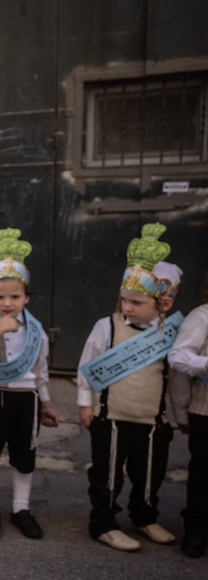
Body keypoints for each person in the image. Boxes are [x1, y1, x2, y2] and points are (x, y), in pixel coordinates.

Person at [77, 223, 187, 552]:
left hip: (153, 422)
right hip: (110, 417)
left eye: (137, 302)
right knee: (107, 475)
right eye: (125, 300)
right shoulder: (106, 327)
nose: (128, 307)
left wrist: (179, 414)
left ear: (162, 304)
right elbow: (87, 367)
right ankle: (104, 523)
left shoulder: (170, 334)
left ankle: (145, 516)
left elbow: (176, 377)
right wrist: (85, 403)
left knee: (149, 473)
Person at [0, 229, 59, 542]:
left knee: (24, 457)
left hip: (26, 400)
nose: (7, 303)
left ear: (27, 297)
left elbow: (41, 368)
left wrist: (46, 401)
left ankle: (21, 509)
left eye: (15, 297)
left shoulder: (35, 330)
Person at [169, 270, 208, 558]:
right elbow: (178, 358)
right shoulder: (202, 316)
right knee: (203, 476)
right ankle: (196, 529)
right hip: (205, 410)